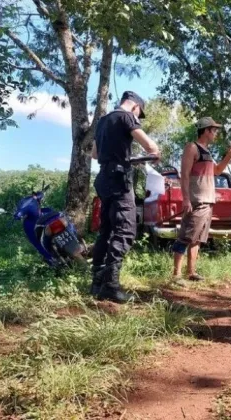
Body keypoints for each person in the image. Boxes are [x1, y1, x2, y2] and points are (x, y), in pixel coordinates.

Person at [90, 91, 160, 303]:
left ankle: (96, 281)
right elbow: (151, 146)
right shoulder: (127, 116)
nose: (138, 118)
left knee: (106, 229)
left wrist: (127, 157)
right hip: (119, 180)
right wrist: (154, 153)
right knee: (126, 229)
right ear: (135, 107)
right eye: (139, 114)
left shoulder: (102, 121)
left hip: (103, 178)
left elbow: (94, 154)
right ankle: (110, 285)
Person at [172, 117, 231, 281]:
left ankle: (191, 273)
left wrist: (229, 156)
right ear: (206, 130)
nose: (215, 133)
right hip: (196, 200)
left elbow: (217, 171)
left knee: (198, 238)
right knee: (186, 236)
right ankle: (176, 274)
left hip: (208, 201)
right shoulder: (192, 147)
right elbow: (185, 175)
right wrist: (186, 199)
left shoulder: (207, 152)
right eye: (214, 130)